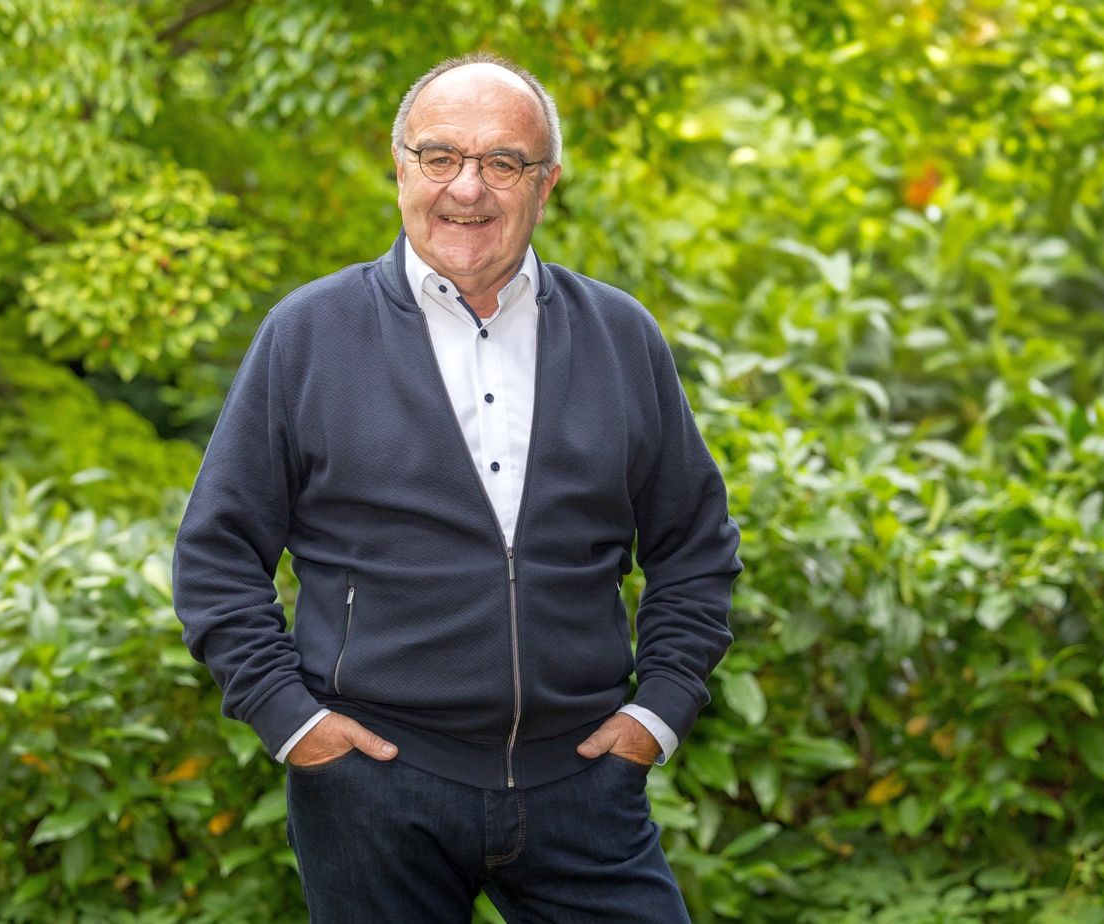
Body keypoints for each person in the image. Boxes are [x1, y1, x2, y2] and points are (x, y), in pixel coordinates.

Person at [173, 51, 742, 923]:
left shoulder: (621, 335)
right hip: (371, 789)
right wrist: (291, 721)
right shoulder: (308, 334)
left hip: (584, 785)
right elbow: (217, 552)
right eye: (440, 156)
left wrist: (659, 712)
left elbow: (694, 546)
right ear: (400, 167)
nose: (466, 188)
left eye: (503, 162)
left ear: (546, 185)